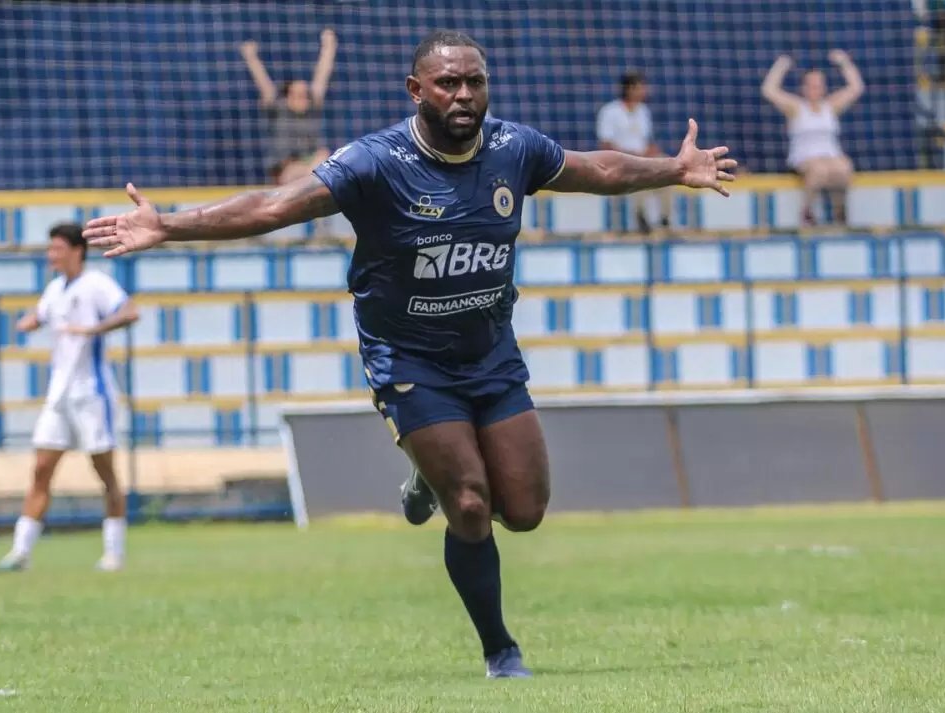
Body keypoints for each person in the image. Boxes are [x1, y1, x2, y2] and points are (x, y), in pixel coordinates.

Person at [85, 30, 735, 677]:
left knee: (526, 511)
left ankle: (429, 474)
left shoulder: (514, 148)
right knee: (471, 503)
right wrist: (170, 224)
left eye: (474, 82)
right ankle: (500, 649)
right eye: (448, 83)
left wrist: (676, 169)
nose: (464, 94)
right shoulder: (376, 162)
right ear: (416, 90)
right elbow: (275, 205)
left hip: (490, 355)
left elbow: (600, 169)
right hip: (408, 360)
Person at [0, 224, 139, 573]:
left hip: (92, 393)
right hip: (59, 394)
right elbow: (43, 315)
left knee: (104, 472)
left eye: (57, 249)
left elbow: (130, 312)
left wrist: (92, 329)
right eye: (50, 249)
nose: (52, 255)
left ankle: (114, 553)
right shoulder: (55, 289)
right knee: (41, 469)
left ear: (77, 251)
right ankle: (20, 552)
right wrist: (30, 322)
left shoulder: (96, 283)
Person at [761, 50, 865, 226]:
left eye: (819, 85)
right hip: (804, 157)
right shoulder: (796, 107)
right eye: (811, 85)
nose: (815, 88)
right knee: (819, 171)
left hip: (831, 155)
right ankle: (807, 211)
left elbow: (856, 88)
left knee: (844, 168)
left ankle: (840, 211)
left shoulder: (830, 106)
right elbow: (769, 91)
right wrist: (780, 66)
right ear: (804, 87)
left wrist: (844, 62)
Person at [240, 29, 338, 185]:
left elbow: (322, 75)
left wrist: (329, 47)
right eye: (297, 95)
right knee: (304, 171)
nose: (303, 98)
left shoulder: (312, 108)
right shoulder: (278, 108)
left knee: (323, 155)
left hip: (309, 164)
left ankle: (312, 183)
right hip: (286, 169)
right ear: (287, 97)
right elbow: (263, 83)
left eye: (305, 95)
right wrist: (251, 57)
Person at [597, 71, 672, 233]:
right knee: (639, 173)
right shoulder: (610, 111)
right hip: (620, 160)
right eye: (640, 87)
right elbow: (606, 145)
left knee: (669, 166)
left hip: (642, 158)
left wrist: (651, 151)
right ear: (629, 88)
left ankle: (665, 218)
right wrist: (630, 155)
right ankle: (641, 217)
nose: (644, 91)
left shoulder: (643, 111)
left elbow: (647, 141)